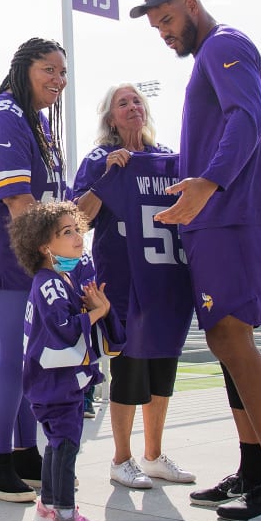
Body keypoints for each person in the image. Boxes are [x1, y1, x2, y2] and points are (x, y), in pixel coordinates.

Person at [132, 0, 261, 521]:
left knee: (232, 336)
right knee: (224, 339)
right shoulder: (209, 54)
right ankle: (254, 468)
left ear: (191, 5)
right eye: (156, 25)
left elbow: (246, 116)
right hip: (216, 219)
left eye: (167, 20)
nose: (163, 32)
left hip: (234, 214)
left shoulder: (224, 45)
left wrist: (209, 182)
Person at [73, 84, 195, 489]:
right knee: (129, 366)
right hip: (124, 277)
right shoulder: (99, 159)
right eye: (122, 102)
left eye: (137, 100)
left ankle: (154, 455)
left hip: (166, 273)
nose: (132, 107)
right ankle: (121, 458)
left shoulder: (167, 159)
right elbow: (77, 220)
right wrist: (108, 179)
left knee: (163, 366)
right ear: (109, 116)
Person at [0, 37, 68, 502]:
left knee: (27, 356)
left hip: (33, 252)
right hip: (10, 253)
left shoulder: (37, 121)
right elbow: (19, 202)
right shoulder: (5, 115)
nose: (58, 80)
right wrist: (60, 262)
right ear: (24, 69)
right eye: (49, 69)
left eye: (63, 73)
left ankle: (27, 454)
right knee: (14, 355)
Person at [11, 201, 124, 521]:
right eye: (67, 232)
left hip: (54, 383)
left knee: (57, 442)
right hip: (57, 384)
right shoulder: (50, 284)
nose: (78, 237)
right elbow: (63, 328)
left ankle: (47, 507)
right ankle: (64, 514)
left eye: (77, 230)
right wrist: (97, 312)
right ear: (45, 246)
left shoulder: (61, 280)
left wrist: (93, 308)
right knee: (65, 444)